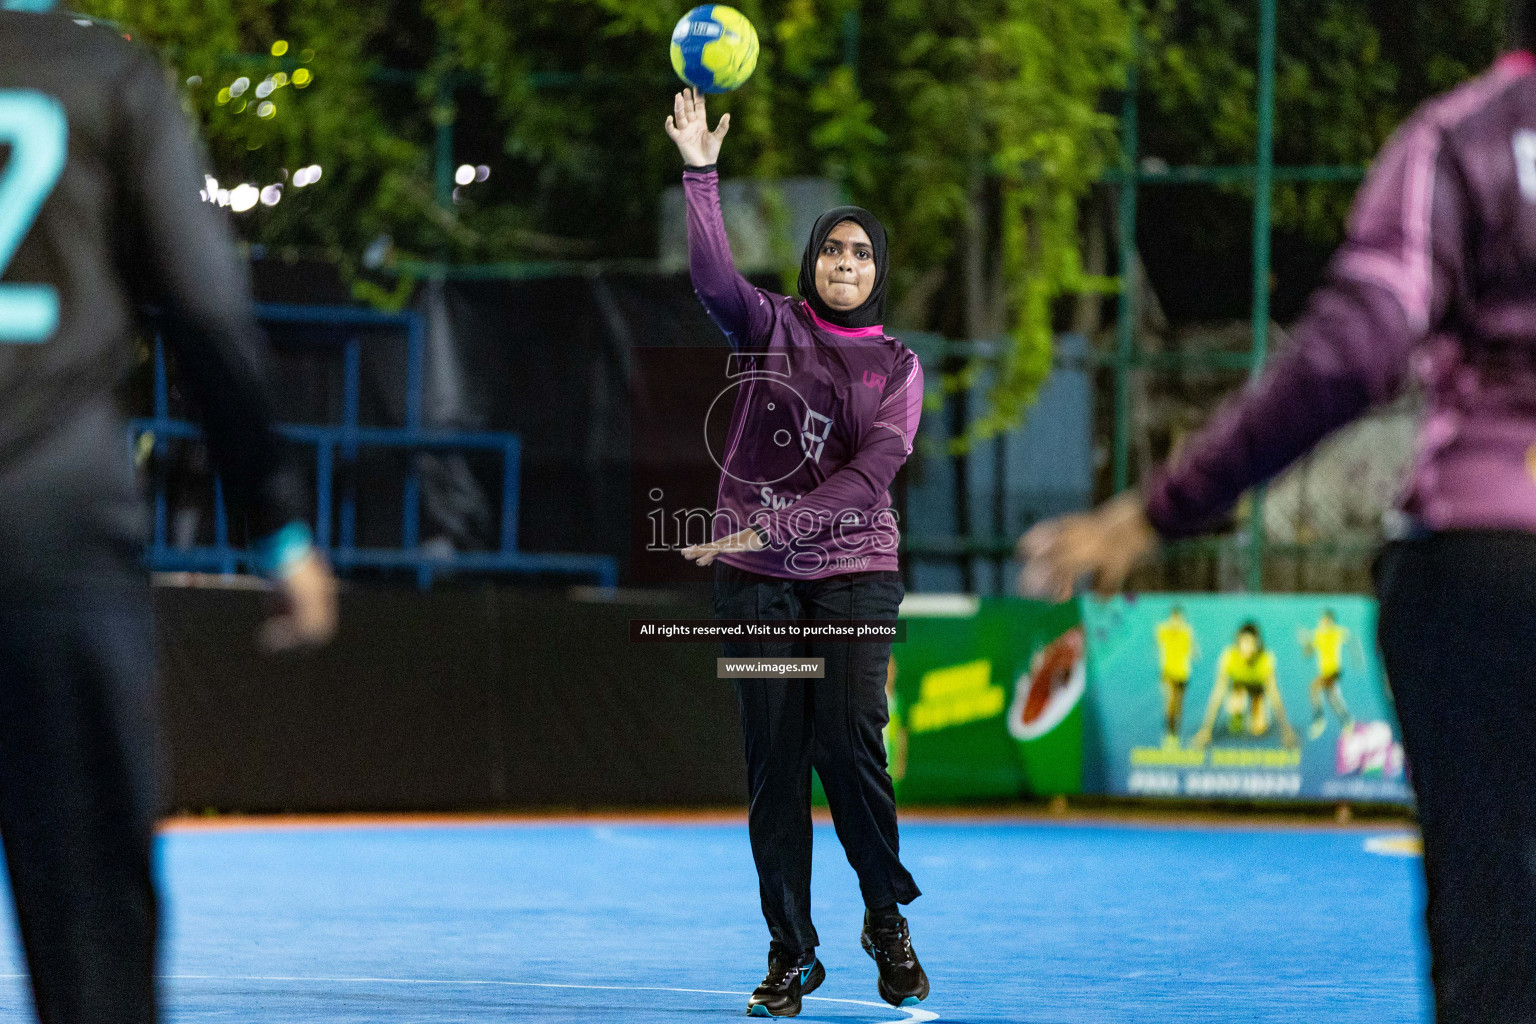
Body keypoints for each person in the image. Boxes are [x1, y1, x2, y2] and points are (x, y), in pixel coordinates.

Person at [1018, 5, 1536, 1019]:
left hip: (1485, 568)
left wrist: (1158, 511)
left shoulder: (1457, 139)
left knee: (1494, 930)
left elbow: (1355, 346)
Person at [0, 5, 337, 1022]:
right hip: (54, 507)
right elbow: (204, 307)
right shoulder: (106, 73)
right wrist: (274, 519)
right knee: (91, 906)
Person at [665, 88, 928, 1016]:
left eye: (861, 252)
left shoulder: (896, 367)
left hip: (856, 571)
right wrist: (702, 173)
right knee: (775, 763)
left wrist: (771, 525)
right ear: (813, 262)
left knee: (848, 745)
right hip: (754, 584)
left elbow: (872, 477)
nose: (845, 261)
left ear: (877, 271)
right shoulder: (768, 324)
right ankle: (792, 953)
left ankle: (885, 918)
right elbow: (709, 279)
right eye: (832, 248)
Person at [1190, 622, 1299, 749]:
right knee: (1236, 727)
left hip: (1257, 691)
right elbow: (1218, 693)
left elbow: (1274, 695)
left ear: (1258, 644)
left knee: (1258, 729)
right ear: (1238, 642)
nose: (1249, 648)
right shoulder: (1228, 657)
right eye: (1245, 643)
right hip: (1238, 688)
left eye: (1253, 643)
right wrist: (1206, 730)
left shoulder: (1266, 659)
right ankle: (1238, 714)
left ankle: (1255, 712)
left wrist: (1286, 731)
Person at [1299, 609, 1354, 740]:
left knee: (1314, 687)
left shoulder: (1338, 632)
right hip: (1324, 672)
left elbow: (1350, 640)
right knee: (1332, 698)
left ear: (1330, 621)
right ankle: (1347, 721)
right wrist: (1305, 642)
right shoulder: (1317, 634)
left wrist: (1356, 655)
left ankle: (1319, 720)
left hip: (1334, 671)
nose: (1322, 624)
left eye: (1325, 621)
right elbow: (1308, 653)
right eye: (1321, 621)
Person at [1154, 605, 1198, 743]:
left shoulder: (1186, 633)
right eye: (1175, 619)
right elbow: (1158, 644)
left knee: (1178, 705)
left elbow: (1194, 653)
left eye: (1180, 620)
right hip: (1168, 673)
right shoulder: (1163, 630)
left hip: (1182, 674)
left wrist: (1190, 642)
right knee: (1170, 702)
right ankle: (1169, 735)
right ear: (1171, 618)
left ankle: (1174, 735)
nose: (1177, 622)